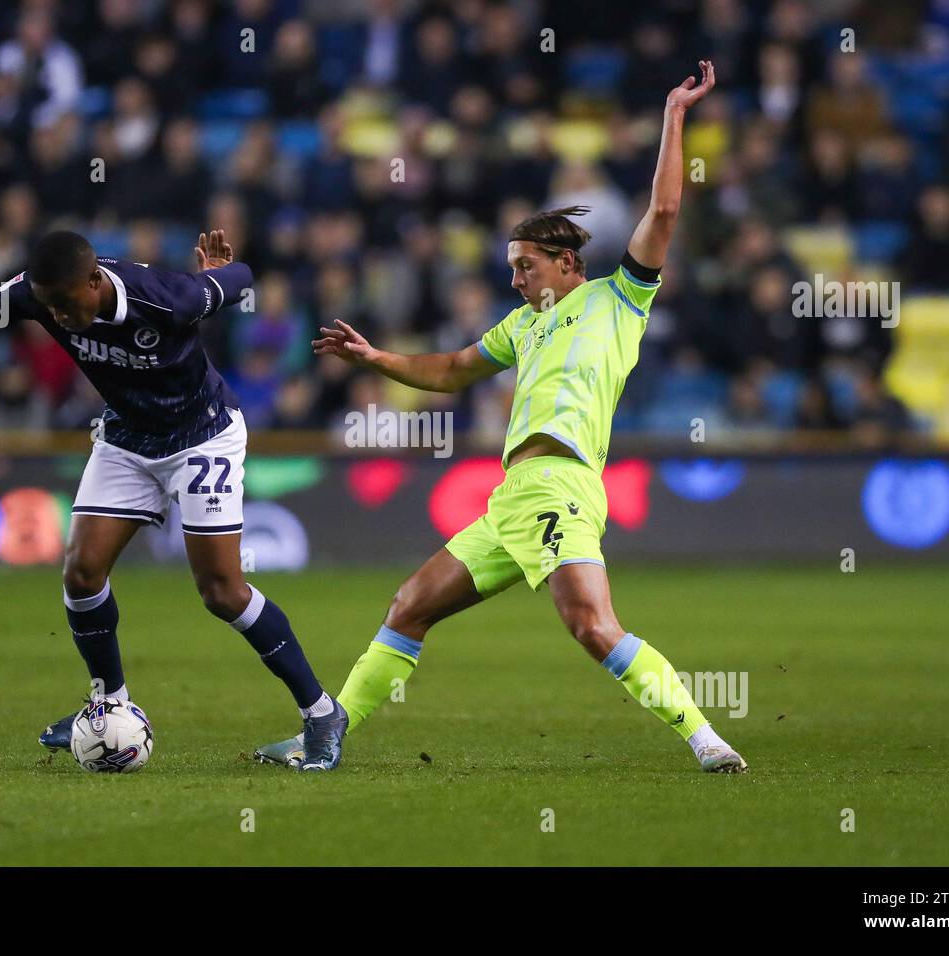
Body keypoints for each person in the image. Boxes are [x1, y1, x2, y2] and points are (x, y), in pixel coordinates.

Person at [258, 61, 748, 773]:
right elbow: (453, 370)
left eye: (526, 266)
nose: (515, 279)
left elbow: (666, 212)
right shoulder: (523, 327)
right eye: (512, 267)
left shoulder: (619, 299)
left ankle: (707, 740)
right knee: (408, 606)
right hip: (511, 497)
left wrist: (675, 115)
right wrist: (374, 358)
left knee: (589, 625)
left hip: (562, 485)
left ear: (566, 262)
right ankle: (324, 740)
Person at [0, 229, 348, 769]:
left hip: (203, 435)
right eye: (50, 309)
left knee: (222, 592)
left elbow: (243, 278)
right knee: (82, 574)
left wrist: (213, 276)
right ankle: (108, 703)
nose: (61, 318)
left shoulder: (163, 297)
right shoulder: (39, 292)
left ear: (94, 282)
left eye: (68, 306)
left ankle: (322, 712)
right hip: (126, 439)